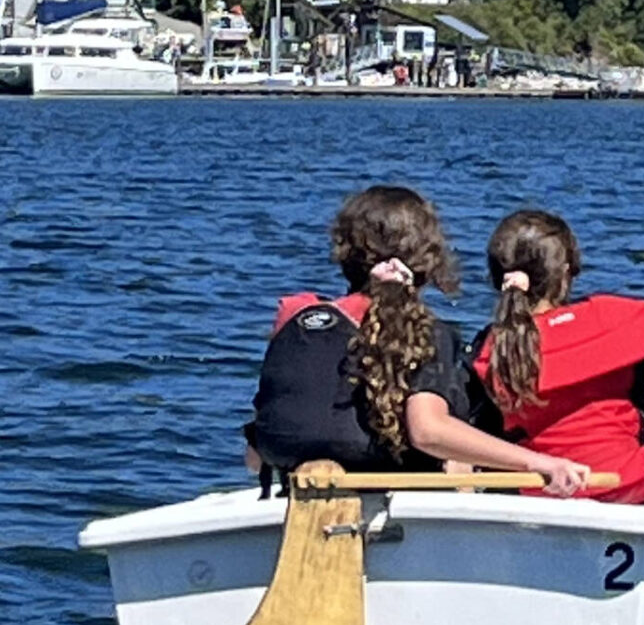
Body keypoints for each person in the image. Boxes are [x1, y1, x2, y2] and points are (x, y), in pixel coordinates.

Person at [246, 184, 592, 493]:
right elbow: (428, 431)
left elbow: (254, 459)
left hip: (295, 483)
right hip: (386, 496)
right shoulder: (428, 332)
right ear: (428, 264)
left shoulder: (297, 322)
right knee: (453, 446)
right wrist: (539, 463)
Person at [467, 208, 644, 504]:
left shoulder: (494, 348)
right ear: (565, 275)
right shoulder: (607, 333)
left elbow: (476, 431)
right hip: (628, 495)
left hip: (540, 503)